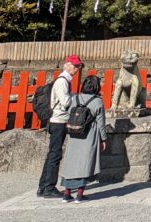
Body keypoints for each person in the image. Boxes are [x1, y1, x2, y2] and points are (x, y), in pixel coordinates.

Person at [37, 54, 83, 198]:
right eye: (75, 66)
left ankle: (43, 186)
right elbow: (66, 102)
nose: (76, 69)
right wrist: (76, 98)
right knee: (55, 154)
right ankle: (49, 187)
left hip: (56, 120)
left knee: (52, 153)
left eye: (78, 66)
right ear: (67, 65)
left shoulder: (63, 80)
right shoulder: (63, 81)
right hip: (59, 120)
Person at [59, 74, 107, 203]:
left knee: (71, 163)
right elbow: (101, 122)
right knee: (85, 163)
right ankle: (79, 195)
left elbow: (69, 114)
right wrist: (104, 139)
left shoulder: (75, 98)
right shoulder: (97, 101)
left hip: (74, 134)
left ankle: (66, 194)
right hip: (89, 134)